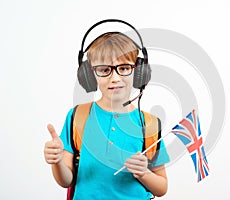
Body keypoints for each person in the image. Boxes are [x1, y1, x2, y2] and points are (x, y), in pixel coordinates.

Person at [43, 31, 170, 199]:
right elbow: (65, 181)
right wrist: (57, 161)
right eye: (104, 70)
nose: (115, 78)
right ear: (89, 76)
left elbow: (161, 188)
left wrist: (143, 173)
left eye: (124, 68)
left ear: (139, 72)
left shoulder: (149, 124)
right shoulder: (78, 116)